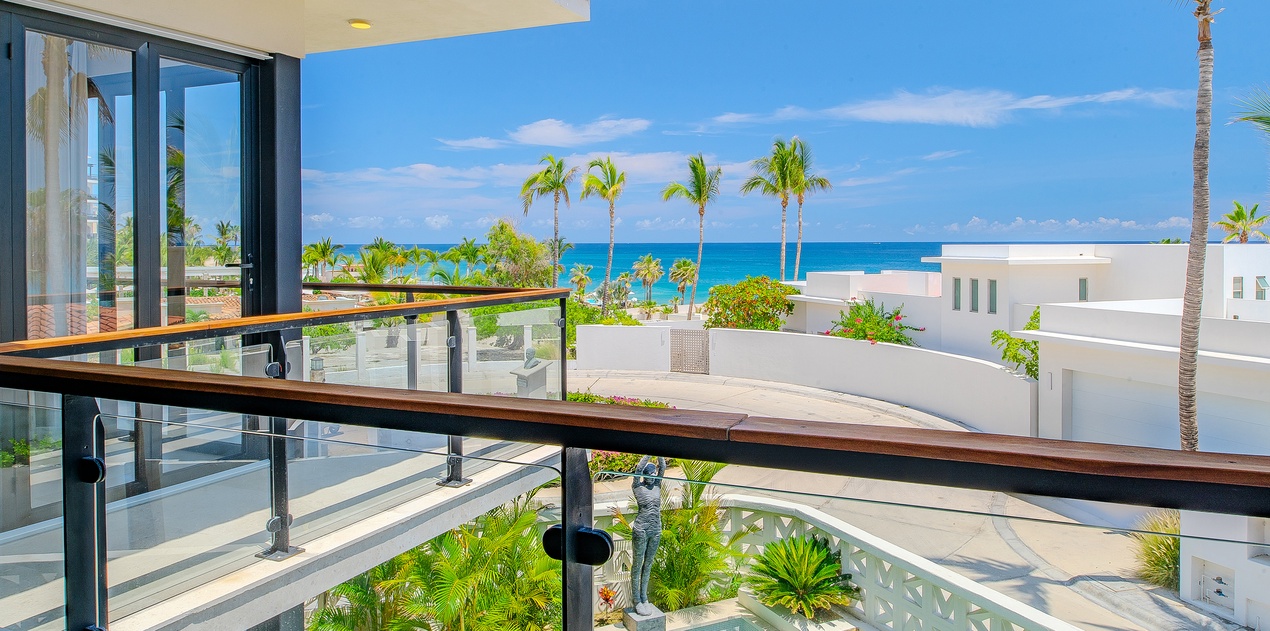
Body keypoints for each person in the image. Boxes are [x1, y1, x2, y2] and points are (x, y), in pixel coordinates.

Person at [629, 455, 665, 616]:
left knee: (648, 564)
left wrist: (659, 452)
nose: (651, 477)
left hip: (655, 529)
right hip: (641, 530)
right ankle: (636, 599)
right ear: (643, 475)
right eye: (648, 475)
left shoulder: (657, 485)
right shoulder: (638, 487)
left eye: (653, 474)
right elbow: (637, 470)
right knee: (637, 565)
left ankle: (644, 597)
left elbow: (663, 467)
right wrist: (648, 453)